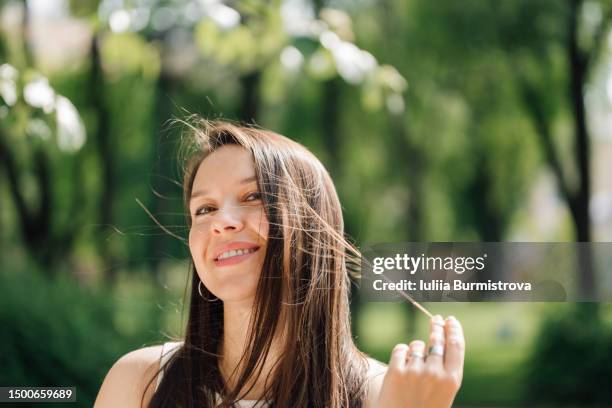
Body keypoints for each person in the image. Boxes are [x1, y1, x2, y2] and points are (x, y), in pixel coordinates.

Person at [94, 119, 465, 408]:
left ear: (313, 228)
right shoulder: (139, 384)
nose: (222, 221)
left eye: (253, 196)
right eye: (204, 209)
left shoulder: (383, 396)